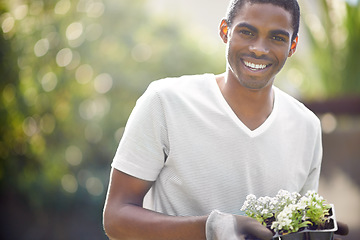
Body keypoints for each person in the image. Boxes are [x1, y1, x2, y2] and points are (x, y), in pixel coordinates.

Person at [103, 0, 349, 239]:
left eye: (277, 37)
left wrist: (314, 233)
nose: (259, 48)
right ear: (225, 31)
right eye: (247, 32)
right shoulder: (166, 102)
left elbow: (291, 226)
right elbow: (116, 219)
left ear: (292, 45)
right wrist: (212, 228)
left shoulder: (307, 126)